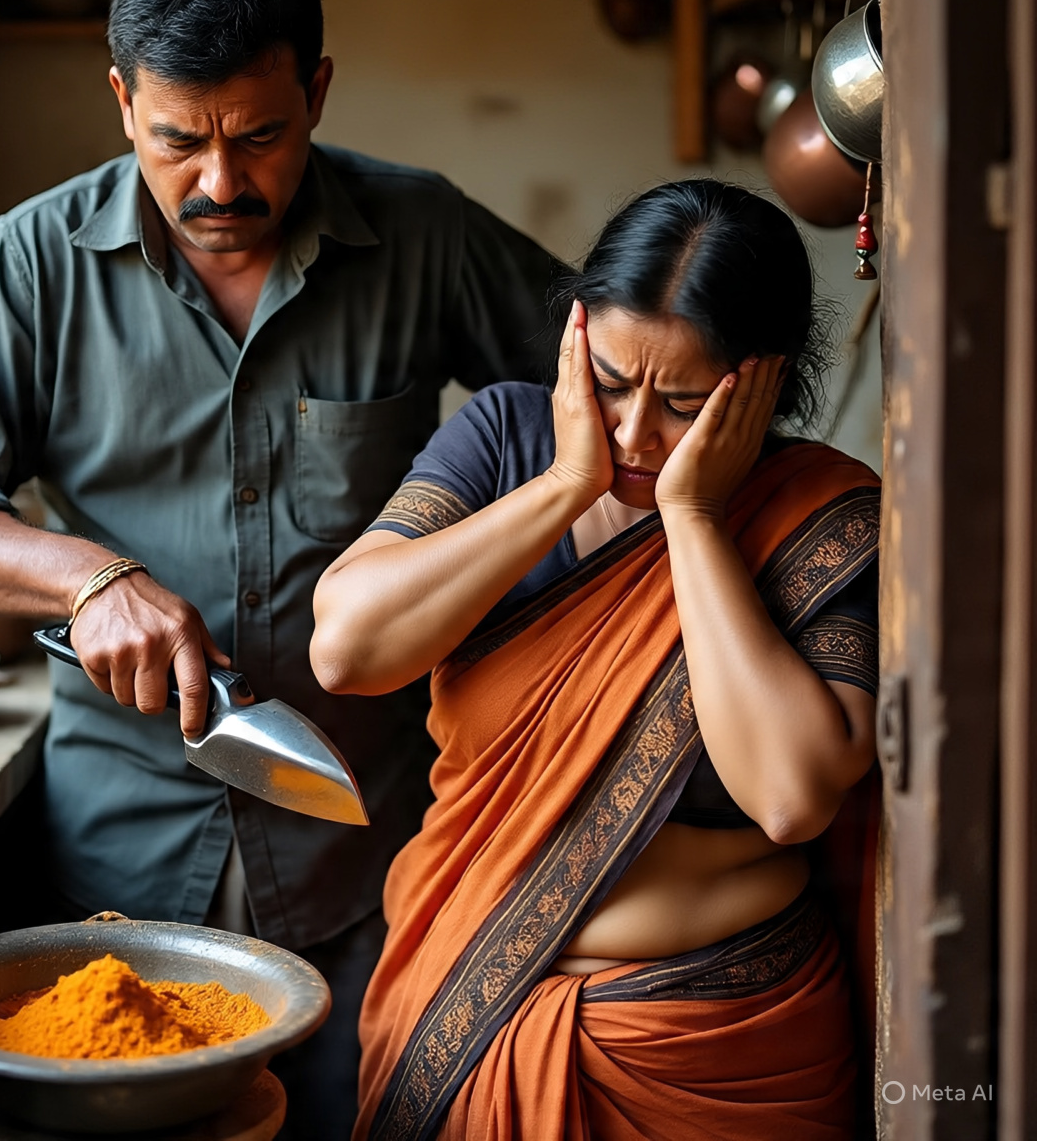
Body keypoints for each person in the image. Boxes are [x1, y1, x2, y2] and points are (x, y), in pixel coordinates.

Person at [0, 0, 557, 1138]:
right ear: (123, 101)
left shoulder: (423, 236)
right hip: (118, 879)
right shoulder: (37, 263)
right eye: (178, 139)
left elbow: (597, 386)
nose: (219, 183)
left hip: (370, 859)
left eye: (260, 135)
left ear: (315, 91)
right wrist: (83, 577)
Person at [310, 179, 881, 1141]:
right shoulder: (505, 439)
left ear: (765, 384)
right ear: (575, 337)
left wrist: (693, 518)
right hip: (463, 1008)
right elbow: (348, 650)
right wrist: (566, 486)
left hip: (714, 1050)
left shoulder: (816, 512)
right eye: (612, 382)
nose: (633, 433)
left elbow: (791, 795)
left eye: (686, 403)